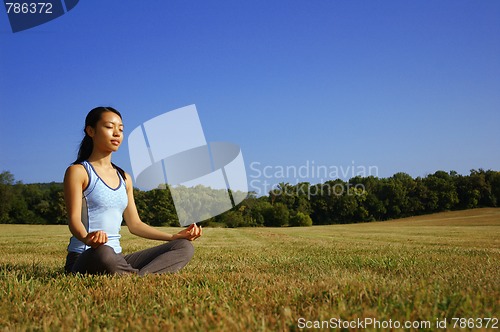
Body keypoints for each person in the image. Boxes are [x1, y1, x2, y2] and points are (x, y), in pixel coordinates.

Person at [64, 106, 202, 275]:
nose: (116, 133)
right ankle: (136, 274)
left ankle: (135, 276)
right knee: (104, 252)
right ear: (91, 131)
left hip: (117, 258)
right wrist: (87, 238)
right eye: (109, 127)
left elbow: (135, 225)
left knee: (184, 247)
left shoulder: (124, 178)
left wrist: (174, 237)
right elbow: (73, 220)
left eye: (120, 129)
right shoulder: (78, 171)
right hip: (87, 256)